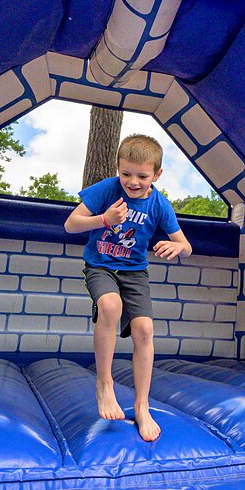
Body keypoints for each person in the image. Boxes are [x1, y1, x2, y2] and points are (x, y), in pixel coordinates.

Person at [64, 134, 191, 442]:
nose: (132, 182)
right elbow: (71, 224)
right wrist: (103, 219)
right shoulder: (108, 190)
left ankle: (141, 405)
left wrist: (178, 249)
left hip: (135, 272)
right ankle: (104, 383)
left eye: (142, 176)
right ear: (118, 169)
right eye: (126, 174)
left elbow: (186, 245)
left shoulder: (159, 204)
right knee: (110, 306)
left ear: (157, 175)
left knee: (145, 329)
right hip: (101, 266)